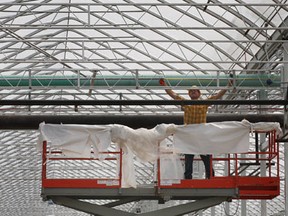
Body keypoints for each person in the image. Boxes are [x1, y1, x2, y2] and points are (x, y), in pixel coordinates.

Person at [160, 78, 233, 179]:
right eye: (191, 91)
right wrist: (165, 86)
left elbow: (217, 96)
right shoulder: (185, 103)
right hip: (190, 137)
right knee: (189, 159)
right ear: (189, 94)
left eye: (195, 91)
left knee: (206, 158)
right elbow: (173, 95)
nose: (193, 92)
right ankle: (189, 179)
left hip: (201, 136)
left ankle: (210, 177)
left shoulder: (204, 104)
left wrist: (228, 86)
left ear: (199, 94)